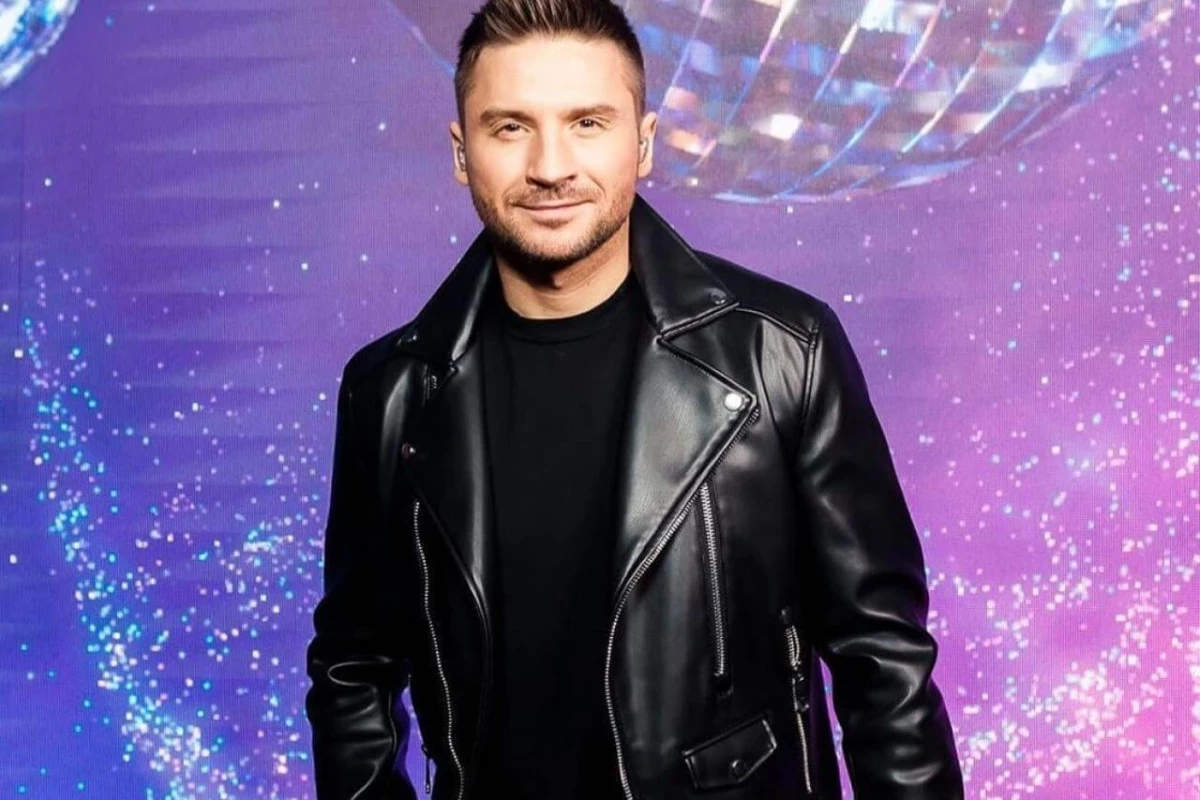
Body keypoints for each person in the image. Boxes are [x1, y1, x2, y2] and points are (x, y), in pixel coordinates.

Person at [304, 0, 965, 798]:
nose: (551, 166)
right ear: (461, 151)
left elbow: (882, 662)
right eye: (510, 127)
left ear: (643, 143)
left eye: (588, 123)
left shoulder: (783, 351)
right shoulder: (391, 392)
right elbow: (353, 670)